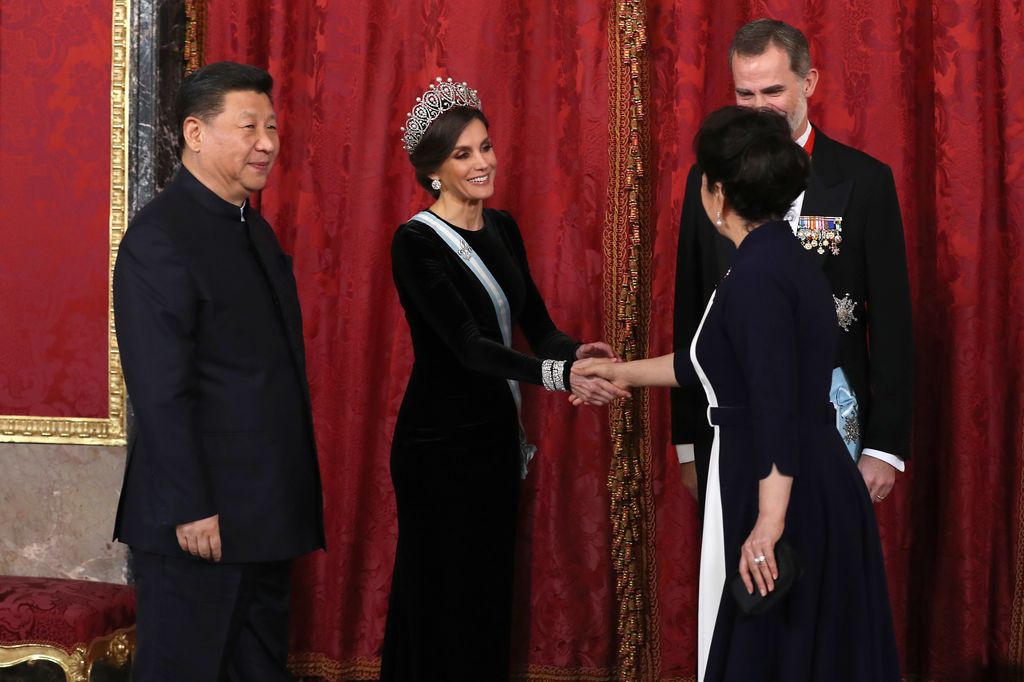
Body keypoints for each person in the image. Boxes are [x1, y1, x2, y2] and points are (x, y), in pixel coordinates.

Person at [575, 106, 900, 681]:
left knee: (774, 654)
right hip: (803, 472)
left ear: (717, 193)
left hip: (784, 484)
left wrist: (769, 523)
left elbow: (774, 404)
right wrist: (621, 373)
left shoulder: (756, 277)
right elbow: (717, 362)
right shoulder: (778, 255)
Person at [380, 77, 626, 680]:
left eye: (485, 146)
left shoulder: (504, 227)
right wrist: (562, 377)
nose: (482, 162)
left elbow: (536, 325)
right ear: (434, 171)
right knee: (441, 597)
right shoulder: (415, 242)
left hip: (495, 442)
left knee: (487, 596)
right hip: (438, 446)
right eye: (463, 153)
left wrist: (575, 354)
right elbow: (470, 348)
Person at [112, 61, 324, 681]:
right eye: (249, 126)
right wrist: (191, 505)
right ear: (195, 133)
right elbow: (161, 389)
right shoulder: (160, 237)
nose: (267, 143)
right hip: (200, 524)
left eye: (272, 127)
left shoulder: (251, 227)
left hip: (264, 514)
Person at [671, 19, 913, 505]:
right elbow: (691, 309)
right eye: (745, 94)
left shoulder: (865, 181)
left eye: (773, 91)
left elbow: (892, 321)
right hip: (731, 421)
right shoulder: (708, 179)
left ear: (809, 82)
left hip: (832, 421)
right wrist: (687, 442)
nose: (759, 108)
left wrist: (884, 447)